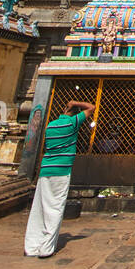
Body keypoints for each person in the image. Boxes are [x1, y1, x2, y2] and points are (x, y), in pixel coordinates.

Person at [24, 100, 95, 258]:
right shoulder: (71, 124)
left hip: (45, 170)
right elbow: (91, 107)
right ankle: (46, 248)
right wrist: (75, 102)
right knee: (55, 208)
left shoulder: (50, 126)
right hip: (61, 171)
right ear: (75, 113)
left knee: (39, 208)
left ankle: (32, 246)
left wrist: (69, 105)